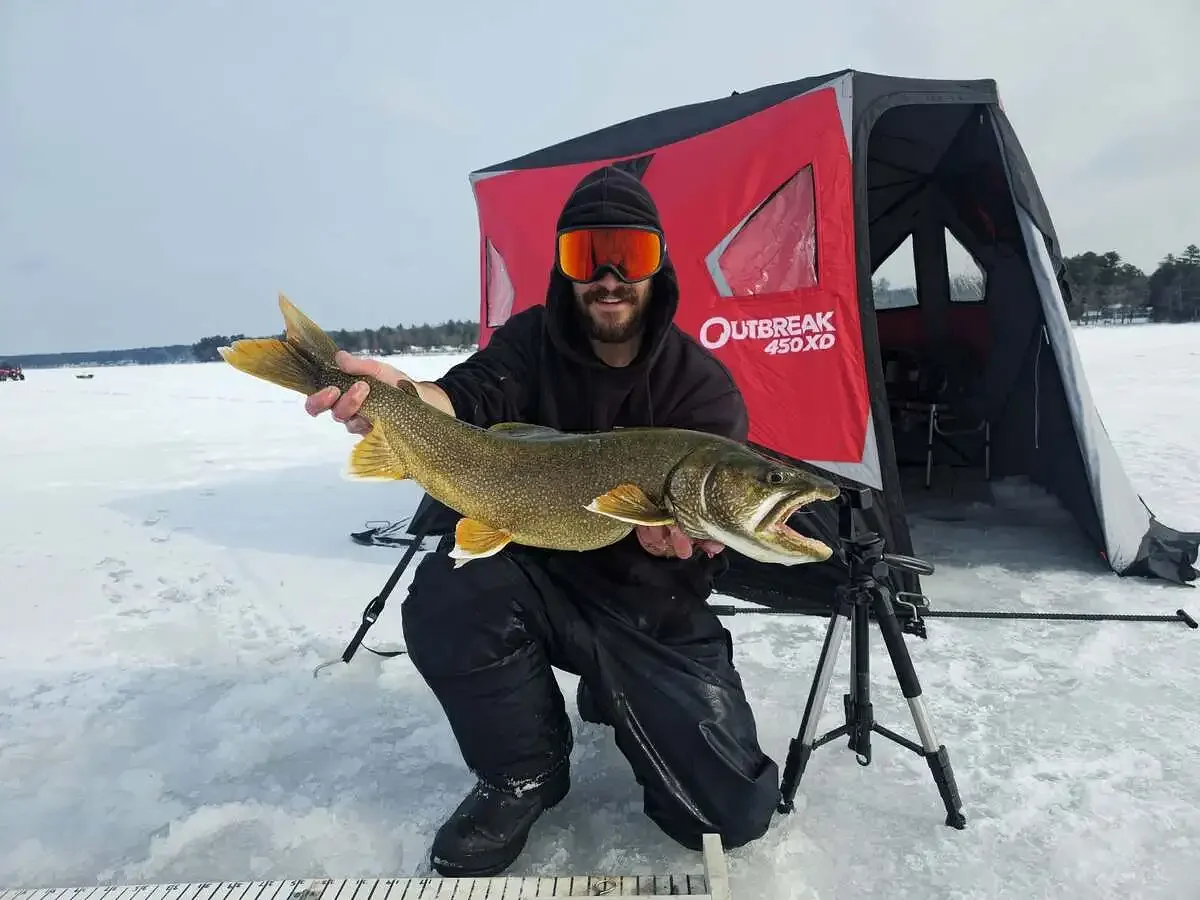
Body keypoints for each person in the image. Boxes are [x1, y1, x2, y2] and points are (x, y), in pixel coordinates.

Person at [304, 164, 780, 877]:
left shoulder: (700, 388)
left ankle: (617, 689)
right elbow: (461, 398)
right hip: (534, 575)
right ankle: (523, 772)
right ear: (565, 266)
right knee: (449, 597)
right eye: (589, 256)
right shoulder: (531, 342)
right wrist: (398, 398)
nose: (610, 276)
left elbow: (710, 537)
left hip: (649, 608)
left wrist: (686, 545)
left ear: (660, 266)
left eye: (632, 255)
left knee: (727, 816)